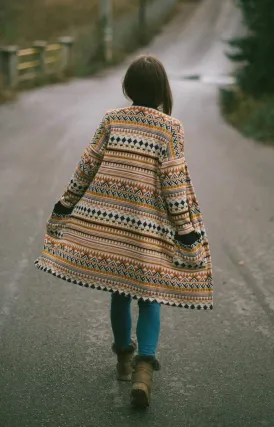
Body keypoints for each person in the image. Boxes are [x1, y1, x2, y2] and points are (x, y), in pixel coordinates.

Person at [35, 55, 213, 409]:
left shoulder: (112, 120)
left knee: (119, 293)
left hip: (112, 229)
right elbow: (173, 184)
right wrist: (186, 230)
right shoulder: (170, 128)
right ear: (163, 89)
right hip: (149, 230)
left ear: (128, 88)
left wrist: (66, 203)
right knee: (149, 296)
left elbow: (87, 165)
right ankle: (144, 369)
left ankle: (122, 358)